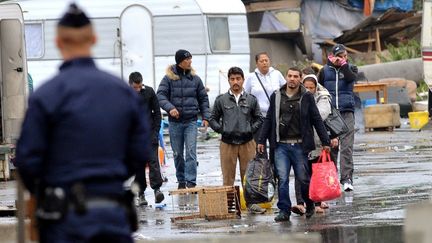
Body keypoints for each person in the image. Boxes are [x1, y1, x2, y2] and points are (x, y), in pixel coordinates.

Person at [15, 3, 149, 242]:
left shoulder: (46, 96)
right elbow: (139, 154)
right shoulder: (123, 94)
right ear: (94, 38)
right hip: (113, 216)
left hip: (63, 223)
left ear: (57, 42)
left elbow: (27, 160)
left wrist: (50, 187)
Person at [258, 67, 331, 222]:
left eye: (295, 76)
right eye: (289, 76)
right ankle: (284, 210)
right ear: (286, 77)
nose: (292, 79)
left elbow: (317, 119)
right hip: (281, 146)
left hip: (300, 145)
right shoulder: (276, 96)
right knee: (282, 179)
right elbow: (269, 119)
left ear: (300, 79)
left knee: (303, 179)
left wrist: (326, 141)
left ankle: (309, 203)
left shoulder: (306, 97)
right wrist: (261, 140)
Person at [209, 67, 264, 214]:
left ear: (243, 80)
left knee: (249, 175)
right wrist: (222, 129)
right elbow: (212, 118)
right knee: (228, 176)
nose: (235, 82)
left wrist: (250, 129)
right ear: (228, 80)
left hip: (247, 142)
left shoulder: (251, 99)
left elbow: (259, 118)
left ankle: (251, 203)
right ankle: (228, 205)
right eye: (232, 79)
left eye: (238, 79)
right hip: (227, 143)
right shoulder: (221, 99)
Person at [157, 49, 210, 189]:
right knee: (178, 154)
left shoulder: (196, 79)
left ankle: (191, 182)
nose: (190, 61)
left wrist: (206, 117)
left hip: (191, 121)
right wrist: (170, 108)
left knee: (191, 152)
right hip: (175, 123)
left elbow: (203, 99)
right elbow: (160, 96)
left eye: (191, 59)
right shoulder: (168, 79)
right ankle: (181, 180)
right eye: (187, 59)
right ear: (180, 61)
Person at [292, 74, 339, 215]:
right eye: (305, 87)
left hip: (317, 142)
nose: (308, 90)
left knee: (316, 172)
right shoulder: (295, 96)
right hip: (300, 140)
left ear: (316, 87)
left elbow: (320, 115)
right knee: (299, 172)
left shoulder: (323, 98)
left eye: (311, 88)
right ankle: (301, 203)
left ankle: (317, 202)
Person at [318, 43, 358, 191]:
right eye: (339, 56)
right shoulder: (324, 71)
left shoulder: (351, 68)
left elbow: (350, 79)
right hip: (331, 113)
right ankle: (332, 179)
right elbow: (319, 88)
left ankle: (347, 179)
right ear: (332, 56)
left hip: (347, 111)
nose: (342, 58)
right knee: (332, 147)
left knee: (347, 147)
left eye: (345, 56)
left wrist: (344, 65)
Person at [129, 72, 164, 206]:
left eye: (139, 87)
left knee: (154, 163)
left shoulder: (149, 92)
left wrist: (155, 132)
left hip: (149, 134)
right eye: (135, 87)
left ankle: (157, 190)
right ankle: (141, 194)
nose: (137, 90)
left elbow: (157, 114)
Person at [244, 52, 286, 146]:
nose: (264, 63)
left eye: (266, 60)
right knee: (259, 145)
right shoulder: (251, 77)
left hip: (275, 116)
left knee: (275, 145)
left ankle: (273, 161)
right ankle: (261, 160)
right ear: (256, 63)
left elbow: (285, 91)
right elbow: (245, 95)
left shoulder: (276, 74)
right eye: (261, 61)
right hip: (258, 117)